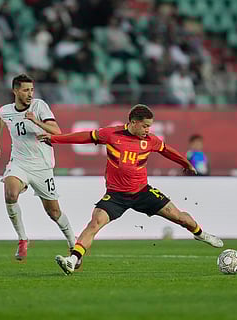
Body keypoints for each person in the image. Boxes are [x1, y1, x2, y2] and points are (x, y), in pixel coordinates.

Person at [37, 104, 223, 275]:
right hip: (116, 195)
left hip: (143, 192)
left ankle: (200, 234)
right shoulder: (111, 134)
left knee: (181, 218)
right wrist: (55, 138)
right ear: (133, 123)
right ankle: (72, 260)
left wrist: (185, 163)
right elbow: (84, 136)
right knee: (94, 223)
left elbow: (166, 150)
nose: (148, 130)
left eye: (150, 126)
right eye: (145, 126)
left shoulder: (150, 140)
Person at [0, 74, 76, 260]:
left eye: (31, 90)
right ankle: (22, 240)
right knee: (10, 193)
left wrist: (35, 121)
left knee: (53, 212)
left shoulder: (39, 106)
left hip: (42, 166)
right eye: (25, 90)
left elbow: (57, 132)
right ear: (15, 91)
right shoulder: (6, 110)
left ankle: (73, 244)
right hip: (19, 162)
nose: (30, 94)